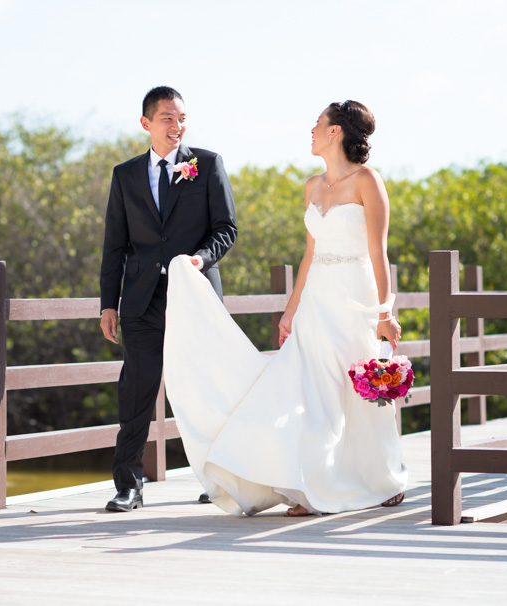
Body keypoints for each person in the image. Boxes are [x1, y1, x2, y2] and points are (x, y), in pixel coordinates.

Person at [163, 100, 407, 516]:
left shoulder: (368, 180)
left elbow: (378, 252)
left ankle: (381, 478)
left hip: (355, 297)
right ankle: (307, 485)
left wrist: (385, 313)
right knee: (307, 392)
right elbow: (309, 254)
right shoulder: (312, 186)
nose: (311, 130)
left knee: (353, 388)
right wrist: (290, 310)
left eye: (318, 124)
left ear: (336, 132)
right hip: (316, 300)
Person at [99, 86, 237, 512]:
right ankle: (129, 484)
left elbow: (226, 228)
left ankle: (217, 478)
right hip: (140, 299)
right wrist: (109, 303)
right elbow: (114, 245)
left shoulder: (207, 163)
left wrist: (200, 259)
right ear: (146, 123)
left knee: (206, 387)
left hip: (194, 295)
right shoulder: (125, 175)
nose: (176, 126)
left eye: (181, 118)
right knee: (137, 388)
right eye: (167, 119)